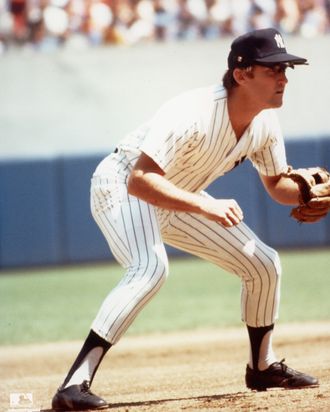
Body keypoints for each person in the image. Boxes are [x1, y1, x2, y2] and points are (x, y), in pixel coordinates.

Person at [51, 28, 319, 410]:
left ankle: (262, 367)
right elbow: (140, 181)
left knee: (263, 264)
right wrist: (205, 205)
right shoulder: (193, 112)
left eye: (285, 69)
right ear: (241, 75)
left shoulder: (264, 123)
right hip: (121, 184)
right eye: (272, 69)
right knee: (150, 268)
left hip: (179, 195)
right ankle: (73, 385)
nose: (283, 78)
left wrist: (309, 190)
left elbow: (278, 187)